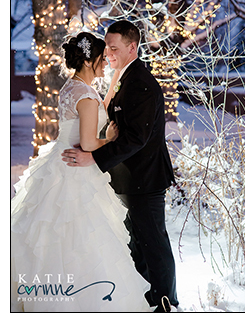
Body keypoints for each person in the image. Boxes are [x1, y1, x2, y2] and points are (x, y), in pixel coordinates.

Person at [11, 32, 150, 312]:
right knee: (81, 238)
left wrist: (112, 85)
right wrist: (110, 140)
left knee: (50, 236)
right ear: (89, 60)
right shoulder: (86, 95)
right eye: (101, 58)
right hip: (75, 169)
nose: (105, 63)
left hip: (57, 164)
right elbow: (87, 143)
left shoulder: (71, 87)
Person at [61, 20, 178, 312]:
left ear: (131, 47)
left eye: (113, 48)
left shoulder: (140, 82)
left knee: (153, 241)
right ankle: (145, 297)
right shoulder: (121, 77)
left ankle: (165, 301)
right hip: (125, 177)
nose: (108, 54)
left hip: (145, 177)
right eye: (106, 48)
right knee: (137, 242)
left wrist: (94, 157)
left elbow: (137, 137)